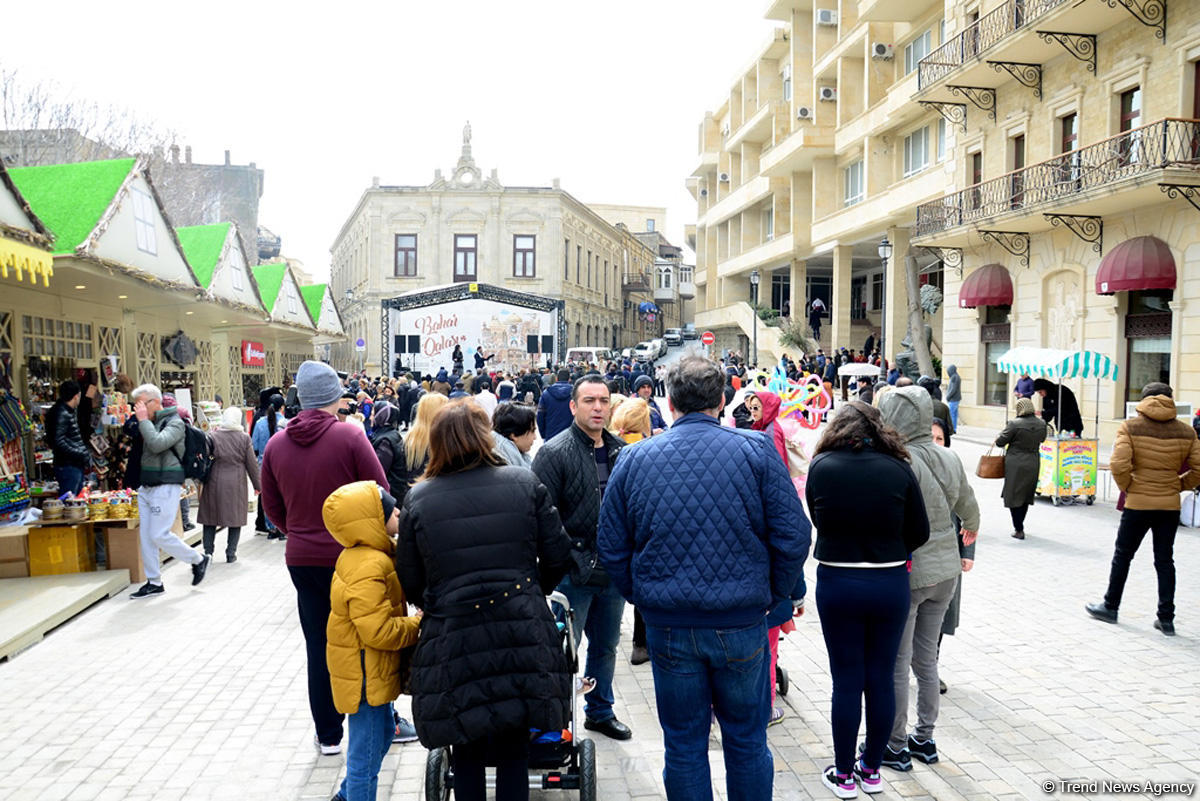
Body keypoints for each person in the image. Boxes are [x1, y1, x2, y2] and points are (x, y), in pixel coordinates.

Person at [598, 357, 810, 801]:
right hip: (740, 619)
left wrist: (643, 596)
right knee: (746, 740)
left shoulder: (635, 458)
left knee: (684, 743)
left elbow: (612, 545)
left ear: (670, 404)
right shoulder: (755, 451)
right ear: (721, 402)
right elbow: (794, 535)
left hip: (671, 622)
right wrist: (772, 594)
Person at [398, 401, 575, 801]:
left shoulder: (420, 499)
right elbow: (558, 555)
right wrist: (532, 590)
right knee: (514, 744)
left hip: (454, 634)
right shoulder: (523, 482)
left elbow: (410, 578)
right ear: (485, 437)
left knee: (466, 747)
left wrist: (440, 601)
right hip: (520, 629)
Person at [260, 361, 391, 757]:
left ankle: (328, 733)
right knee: (365, 640)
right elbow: (379, 493)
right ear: (335, 395)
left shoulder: (276, 444)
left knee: (318, 644)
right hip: (350, 556)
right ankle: (375, 724)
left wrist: (298, 532)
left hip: (302, 558)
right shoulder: (350, 436)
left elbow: (272, 507)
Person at [806, 401, 930, 798]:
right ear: (879, 428)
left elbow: (818, 518)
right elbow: (920, 531)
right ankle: (872, 770)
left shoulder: (821, 467)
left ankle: (844, 775)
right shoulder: (898, 468)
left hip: (838, 581)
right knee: (881, 677)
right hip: (888, 582)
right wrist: (892, 547)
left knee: (846, 680)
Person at [877, 387, 979, 772]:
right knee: (927, 660)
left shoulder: (897, 460)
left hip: (911, 573)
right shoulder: (948, 456)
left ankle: (895, 744)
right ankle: (925, 738)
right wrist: (969, 533)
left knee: (897, 663)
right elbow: (970, 508)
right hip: (946, 573)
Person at [532, 376, 632, 741]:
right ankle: (554, 720)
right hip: (573, 573)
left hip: (612, 571)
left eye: (604, 400)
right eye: (589, 400)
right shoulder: (554, 452)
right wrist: (568, 559)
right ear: (574, 406)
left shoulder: (621, 451)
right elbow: (542, 518)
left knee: (605, 647)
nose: (598, 407)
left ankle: (600, 711)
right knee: (561, 651)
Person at [325, 481, 422, 801]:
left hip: (371, 669)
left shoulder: (372, 555)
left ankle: (345, 796)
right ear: (372, 521)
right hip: (365, 675)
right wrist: (418, 624)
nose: (398, 512)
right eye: (390, 510)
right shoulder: (368, 565)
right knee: (364, 758)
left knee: (380, 736)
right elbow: (377, 631)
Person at [1087, 382, 1200, 636]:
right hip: (1169, 505)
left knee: (1123, 555)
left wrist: (1129, 487)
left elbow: (1118, 464)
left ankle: (1110, 606)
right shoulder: (1186, 431)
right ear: (1170, 399)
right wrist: (1178, 485)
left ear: (1144, 399)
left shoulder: (1130, 427)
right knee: (1165, 560)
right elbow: (1198, 468)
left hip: (1138, 503)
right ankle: (1166, 618)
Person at [746, 390, 804, 726]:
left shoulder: (770, 435)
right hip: (767, 592)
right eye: (750, 407)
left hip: (753, 592)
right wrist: (795, 592)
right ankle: (765, 707)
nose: (753, 411)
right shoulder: (761, 434)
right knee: (766, 649)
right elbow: (793, 540)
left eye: (757, 407)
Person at [128, 384, 210, 599]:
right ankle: (154, 582)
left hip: (166, 484)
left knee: (159, 534)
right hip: (146, 485)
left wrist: (143, 421)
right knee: (146, 537)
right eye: (136, 405)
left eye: (142, 404)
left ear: (155, 402)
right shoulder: (149, 422)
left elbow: (157, 443)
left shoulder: (175, 422)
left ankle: (198, 559)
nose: (138, 409)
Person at [197, 407, 260, 563]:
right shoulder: (244, 438)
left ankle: (208, 552)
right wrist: (258, 485)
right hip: (236, 483)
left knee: (210, 518)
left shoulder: (213, 436)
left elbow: (204, 457)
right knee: (235, 518)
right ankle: (231, 553)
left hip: (213, 481)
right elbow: (251, 464)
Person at [995, 398, 1048, 540]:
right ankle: (1020, 525)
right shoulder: (1042, 424)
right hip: (1033, 462)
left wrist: (1000, 435)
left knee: (1013, 495)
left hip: (1015, 463)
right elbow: (1042, 439)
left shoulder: (1014, 424)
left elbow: (1000, 442)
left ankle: (1018, 528)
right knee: (1025, 495)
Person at [252, 393, 287, 538]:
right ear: (282, 407)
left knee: (268, 497)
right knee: (283, 496)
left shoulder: (260, 423)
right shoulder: (286, 423)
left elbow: (254, 446)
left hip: (263, 465)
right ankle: (282, 528)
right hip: (283, 465)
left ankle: (271, 528)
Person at [47, 379, 90, 496]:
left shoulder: (64, 411)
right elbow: (58, 441)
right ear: (76, 396)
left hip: (70, 464)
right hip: (69, 465)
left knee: (74, 499)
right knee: (70, 499)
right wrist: (80, 453)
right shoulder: (62, 413)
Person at [491, 401, 537, 468]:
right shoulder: (502, 463)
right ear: (514, 435)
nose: (535, 437)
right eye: (532, 431)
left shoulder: (515, 454)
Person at [536, 369, 575, 441]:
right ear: (569, 379)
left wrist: (543, 434)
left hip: (551, 435)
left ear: (556, 378)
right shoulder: (575, 394)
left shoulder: (546, 393)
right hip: (570, 436)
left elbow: (540, 416)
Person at [944, 365, 961, 430]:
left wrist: (948, 397)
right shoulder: (955, 377)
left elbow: (953, 389)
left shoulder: (955, 377)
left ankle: (952, 429)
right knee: (954, 414)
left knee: (951, 415)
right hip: (955, 399)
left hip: (953, 399)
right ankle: (954, 428)